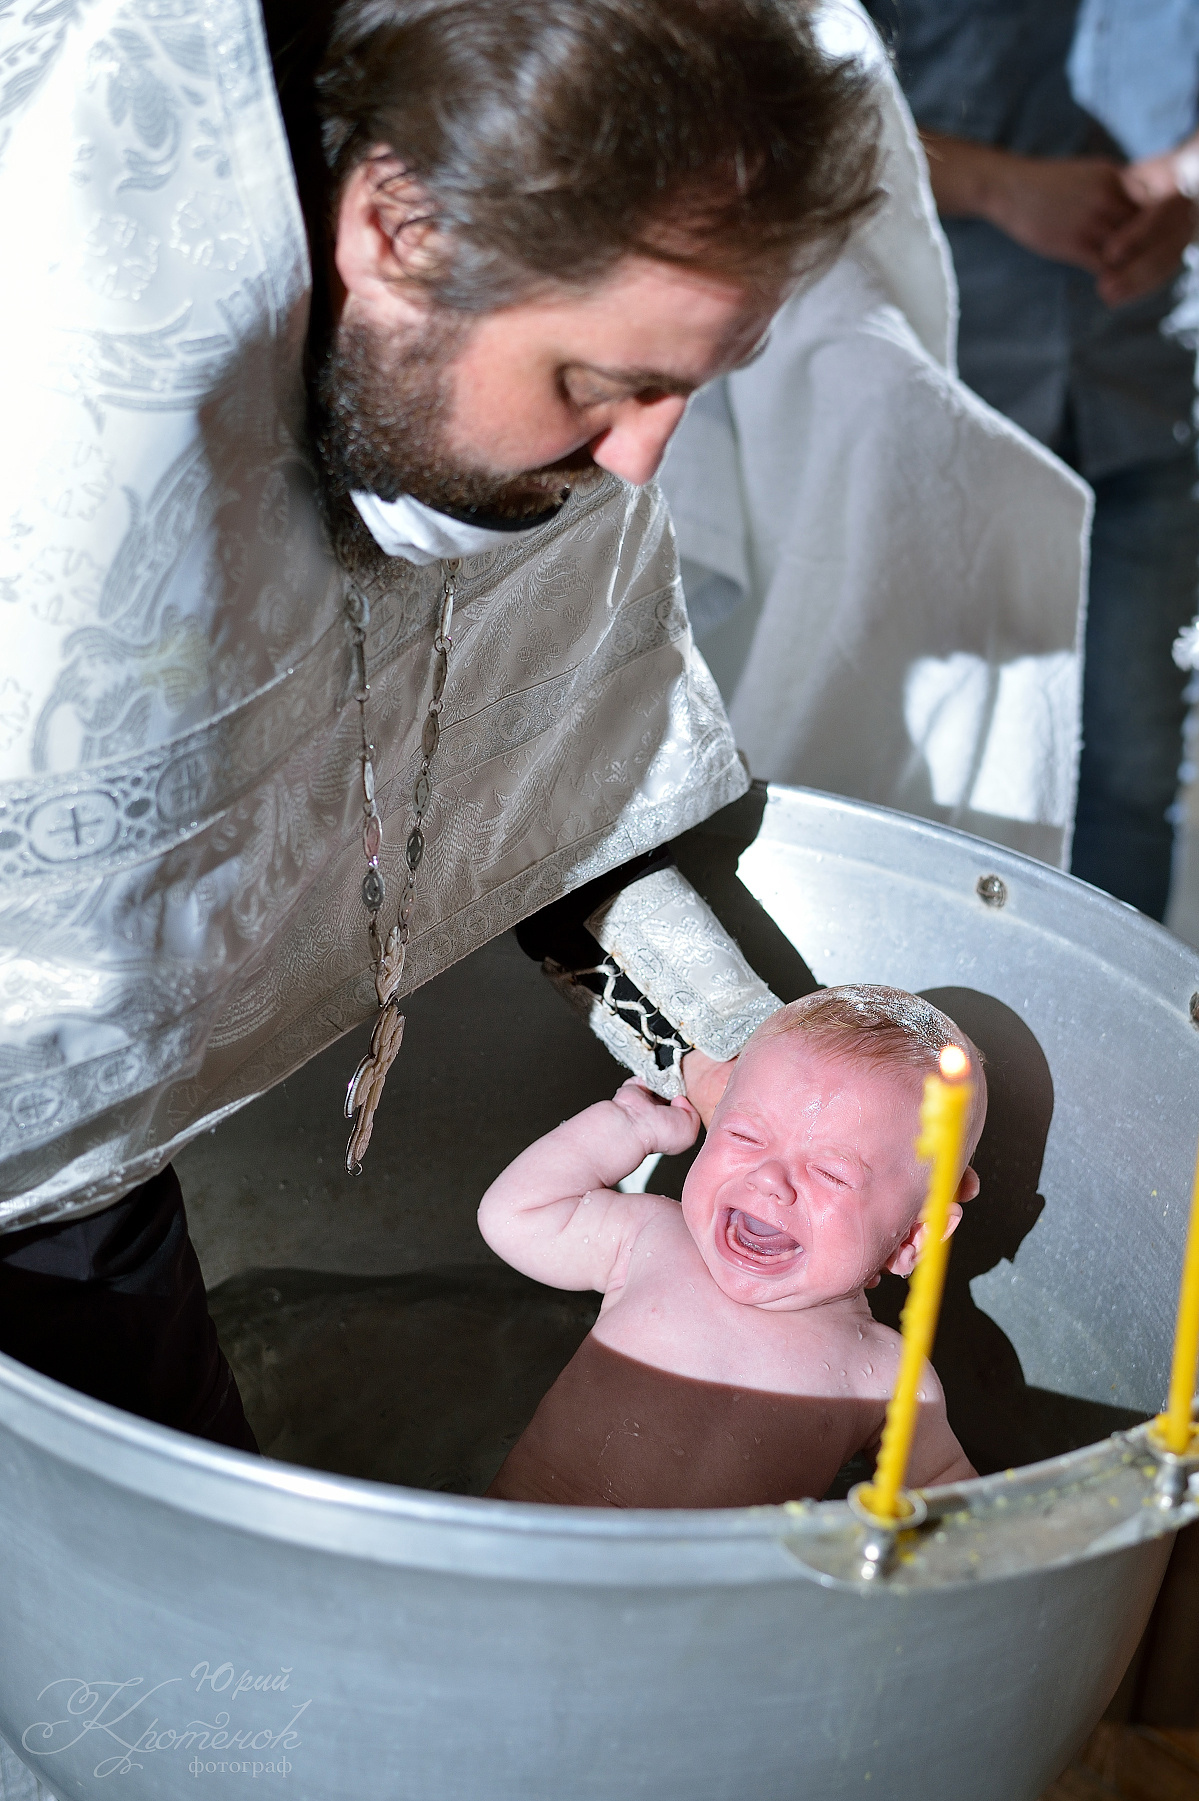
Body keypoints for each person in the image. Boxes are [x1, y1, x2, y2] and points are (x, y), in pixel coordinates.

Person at [0, 0, 878, 1447]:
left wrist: (722, 1041)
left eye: (685, 391)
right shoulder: (70, 423)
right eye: (602, 386)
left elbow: (539, 775)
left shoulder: (538, 413)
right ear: (394, 231)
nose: (641, 455)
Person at [861, 0, 1199, 920]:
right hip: (939, 406)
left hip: (1150, 399)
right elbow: (800, 108)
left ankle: (1104, 1052)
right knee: (920, 761)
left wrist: (1189, 182)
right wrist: (1000, 187)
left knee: (1127, 774)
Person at [480, 986, 983, 1509]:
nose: (769, 1177)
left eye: (831, 1173)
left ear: (910, 1238)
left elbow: (970, 1521)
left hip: (704, 1594)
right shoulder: (653, 1240)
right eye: (745, 1136)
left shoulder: (886, 1374)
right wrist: (626, 1126)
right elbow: (514, 1216)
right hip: (514, 1557)